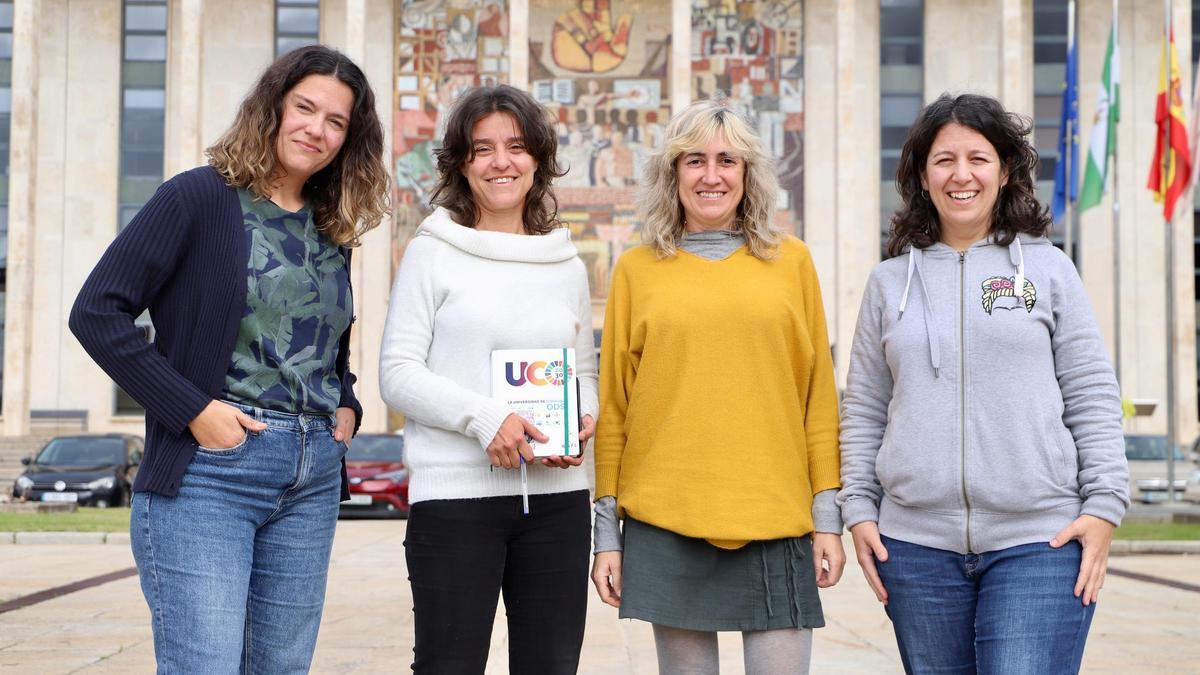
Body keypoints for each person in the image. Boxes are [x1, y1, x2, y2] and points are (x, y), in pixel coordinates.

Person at [69, 46, 389, 672]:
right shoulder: (197, 197)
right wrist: (191, 410)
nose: (316, 130)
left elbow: (319, 338)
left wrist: (344, 399)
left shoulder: (331, 227)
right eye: (305, 108)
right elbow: (97, 312)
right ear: (272, 107)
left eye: (336, 122)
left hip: (312, 475)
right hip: (210, 472)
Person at [838, 93, 1129, 674]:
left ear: (1004, 171)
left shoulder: (1049, 270)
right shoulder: (889, 282)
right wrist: (859, 509)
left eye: (978, 158)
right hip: (916, 548)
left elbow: (1091, 391)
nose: (961, 175)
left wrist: (1103, 505)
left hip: (1040, 541)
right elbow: (866, 407)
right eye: (944, 160)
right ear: (922, 176)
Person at [591, 97, 845, 675]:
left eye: (728, 160)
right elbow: (615, 410)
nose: (711, 176)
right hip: (666, 521)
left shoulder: (792, 263)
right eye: (694, 161)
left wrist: (826, 517)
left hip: (776, 518)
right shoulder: (636, 270)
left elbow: (818, 401)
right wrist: (607, 536)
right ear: (672, 173)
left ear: (748, 174)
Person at [378, 84, 598, 674]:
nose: (502, 162)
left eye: (517, 146)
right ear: (462, 163)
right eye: (483, 149)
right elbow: (397, 374)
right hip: (454, 501)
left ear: (538, 160)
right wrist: (486, 419)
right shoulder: (432, 251)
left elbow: (583, 369)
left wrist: (582, 414)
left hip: (558, 505)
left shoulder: (566, 263)